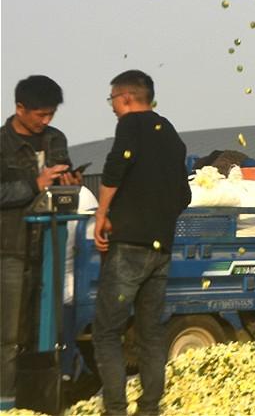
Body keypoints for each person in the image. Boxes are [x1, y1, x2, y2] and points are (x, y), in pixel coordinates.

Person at [91, 71, 190, 416]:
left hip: (129, 247)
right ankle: (150, 409)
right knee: (150, 334)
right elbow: (184, 195)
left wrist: (102, 214)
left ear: (126, 98)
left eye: (113, 101)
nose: (113, 109)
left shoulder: (130, 126)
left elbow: (115, 168)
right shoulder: (172, 136)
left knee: (107, 331)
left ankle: (115, 409)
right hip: (161, 250)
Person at [1, 75, 78, 413]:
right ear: (20, 108)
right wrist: (35, 183)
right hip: (10, 249)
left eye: (51, 114)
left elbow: (63, 183)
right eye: (40, 115)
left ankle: (39, 403)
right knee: (7, 334)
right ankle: (6, 401)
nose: (46, 121)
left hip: (50, 246)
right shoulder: (2, 143)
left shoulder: (55, 138)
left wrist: (68, 183)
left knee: (44, 332)